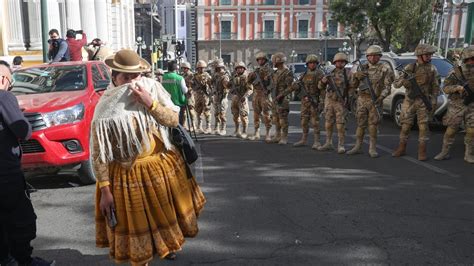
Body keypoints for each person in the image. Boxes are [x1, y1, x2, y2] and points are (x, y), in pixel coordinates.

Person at [93, 49, 205, 265]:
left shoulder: (153, 89)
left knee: (166, 216)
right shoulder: (105, 106)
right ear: (114, 78)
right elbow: (99, 153)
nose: (133, 82)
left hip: (160, 168)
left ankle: (165, 246)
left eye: (136, 76)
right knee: (138, 224)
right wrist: (105, 190)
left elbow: (173, 120)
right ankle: (142, 259)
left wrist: (150, 103)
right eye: (126, 77)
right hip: (127, 175)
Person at [0, 61, 54, 266]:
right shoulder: (4, 96)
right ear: (4, 80)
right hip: (5, 172)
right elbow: (23, 131)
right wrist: (19, 114)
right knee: (20, 219)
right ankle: (23, 259)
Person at [392, 44, 439, 161]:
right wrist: (404, 81)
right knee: (405, 126)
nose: (429, 57)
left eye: (430, 55)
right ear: (419, 55)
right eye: (427, 55)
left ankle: (422, 151)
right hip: (409, 101)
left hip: (424, 101)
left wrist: (433, 100)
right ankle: (401, 148)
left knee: (423, 127)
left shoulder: (432, 69)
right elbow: (396, 83)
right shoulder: (410, 67)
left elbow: (435, 87)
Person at [347, 45, 394, 158]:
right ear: (367, 57)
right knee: (360, 124)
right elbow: (353, 85)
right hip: (362, 99)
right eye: (370, 56)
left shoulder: (385, 68)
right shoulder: (362, 68)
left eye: (375, 56)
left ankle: (372, 148)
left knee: (373, 125)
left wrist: (381, 98)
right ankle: (357, 146)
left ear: (379, 56)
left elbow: (388, 87)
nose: (372, 58)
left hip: (375, 100)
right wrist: (356, 76)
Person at [434, 46, 474, 163]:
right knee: (451, 130)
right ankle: (444, 152)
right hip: (457, 105)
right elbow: (445, 88)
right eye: (471, 58)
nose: (473, 61)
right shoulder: (456, 72)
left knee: (472, 130)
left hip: (472, 105)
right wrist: (457, 88)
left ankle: (469, 154)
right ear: (466, 58)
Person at [318, 52, 351, 153]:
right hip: (330, 101)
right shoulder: (329, 73)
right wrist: (323, 81)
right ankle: (328, 142)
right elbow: (320, 87)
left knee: (340, 125)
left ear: (345, 63)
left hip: (341, 102)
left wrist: (347, 98)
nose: (340, 63)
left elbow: (352, 88)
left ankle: (341, 145)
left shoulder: (348, 74)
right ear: (335, 62)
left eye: (342, 62)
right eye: (338, 62)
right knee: (328, 123)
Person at [291, 54, 325, 149]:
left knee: (315, 122)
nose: (312, 65)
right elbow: (297, 88)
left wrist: (322, 103)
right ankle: (304, 139)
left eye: (314, 63)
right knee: (304, 121)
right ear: (307, 64)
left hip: (315, 101)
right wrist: (297, 87)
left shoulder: (320, 74)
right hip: (305, 102)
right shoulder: (304, 74)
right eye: (310, 63)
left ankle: (317, 141)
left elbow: (322, 90)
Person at [247, 52, 273, 141]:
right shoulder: (256, 71)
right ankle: (256, 133)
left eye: (262, 59)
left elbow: (273, 83)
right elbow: (249, 82)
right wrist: (251, 75)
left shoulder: (269, 71)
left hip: (265, 95)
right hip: (256, 95)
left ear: (266, 60)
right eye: (259, 60)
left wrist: (268, 88)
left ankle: (268, 134)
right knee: (256, 115)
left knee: (266, 115)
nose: (261, 61)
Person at [271, 52, 295, 145]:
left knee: (283, 119)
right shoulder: (275, 72)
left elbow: (290, 87)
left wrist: (281, 95)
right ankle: (277, 135)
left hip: (283, 99)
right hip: (275, 98)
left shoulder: (288, 72)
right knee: (275, 118)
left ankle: (284, 137)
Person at [230, 62, 253, 139]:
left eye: (241, 68)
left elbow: (250, 89)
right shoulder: (234, 77)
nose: (239, 69)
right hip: (235, 98)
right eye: (238, 68)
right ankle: (237, 130)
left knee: (243, 115)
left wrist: (245, 96)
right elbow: (228, 86)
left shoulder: (246, 78)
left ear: (243, 69)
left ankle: (244, 132)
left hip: (242, 98)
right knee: (235, 115)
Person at [161, 60, 188, 125]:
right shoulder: (180, 78)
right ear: (176, 68)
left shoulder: (163, 77)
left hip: (167, 103)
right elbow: (185, 90)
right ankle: (177, 134)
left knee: (168, 122)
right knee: (178, 122)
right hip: (178, 103)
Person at [192, 60, 213, 134]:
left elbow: (211, 86)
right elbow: (192, 85)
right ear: (197, 68)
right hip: (197, 95)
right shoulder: (194, 76)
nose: (201, 69)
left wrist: (211, 95)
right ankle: (199, 126)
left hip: (205, 95)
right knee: (198, 111)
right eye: (199, 68)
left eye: (203, 68)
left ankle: (208, 127)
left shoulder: (207, 76)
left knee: (207, 111)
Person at [210, 60, 230, 136]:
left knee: (222, 114)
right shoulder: (215, 75)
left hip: (222, 97)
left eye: (218, 68)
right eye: (217, 68)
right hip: (216, 96)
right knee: (216, 113)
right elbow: (211, 83)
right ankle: (216, 127)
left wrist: (226, 86)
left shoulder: (225, 76)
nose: (218, 69)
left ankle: (223, 128)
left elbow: (226, 86)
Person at [180, 62, 197, 130]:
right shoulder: (182, 75)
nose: (183, 69)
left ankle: (193, 125)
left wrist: (191, 90)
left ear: (187, 68)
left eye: (184, 68)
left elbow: (196, 85)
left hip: (189, 94)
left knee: (191, 110)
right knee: (183, 111)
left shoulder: (192, 75)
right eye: (182, 68)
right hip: (184, 94)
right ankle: (184, 125)